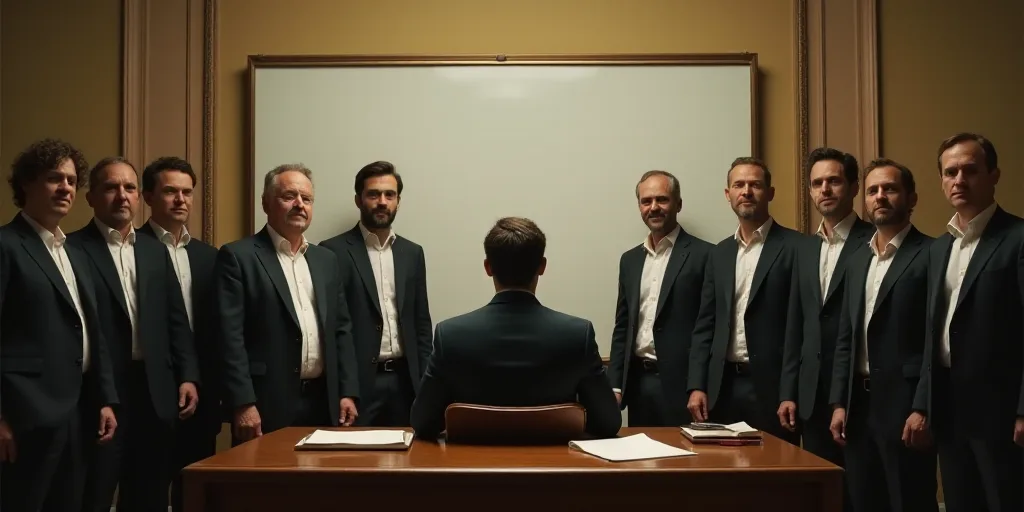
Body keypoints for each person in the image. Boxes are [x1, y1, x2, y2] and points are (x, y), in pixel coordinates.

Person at [410, 217, 621, 439]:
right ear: (542, 266)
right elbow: (608, 422)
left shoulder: (450, 335)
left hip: (474, 470)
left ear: (488, 267)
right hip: (553, 470)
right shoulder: (578, 335)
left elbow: (423, 422)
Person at [69, 156, 198, 512]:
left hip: (155, 392)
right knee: (95, 493)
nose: (122, 195)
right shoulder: (71, 250)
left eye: (129, 188)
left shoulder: (156, 251)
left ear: (140, 197)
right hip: (99, 392)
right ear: (91, 197)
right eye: (111, 187)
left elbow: (177, 321)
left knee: (150, 495)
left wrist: (188, 375)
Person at [907, 133, 1024, 512]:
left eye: (970, 170)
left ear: (993, 175)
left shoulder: (1018, 239)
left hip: (1002, 410)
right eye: (950, 172)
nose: (959, 180)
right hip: (948, 407)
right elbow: (933, 333)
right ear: (941, 181)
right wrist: (923, 404)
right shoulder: (940, 247)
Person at [0, 139, 118, 512]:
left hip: (79, 414)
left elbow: (92, 333)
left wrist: (105, 399)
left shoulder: (74, 253)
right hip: (23, 418)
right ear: (27, 184)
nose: (66, 187)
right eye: (55, 178)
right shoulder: (5, 245)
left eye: (71, 180)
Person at [216, 164, 359, 443]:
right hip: (265, 403)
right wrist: (243, 403)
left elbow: (341, 329)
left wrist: (347, 392)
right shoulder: (238, 257)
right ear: (266, 203)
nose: (299, 205)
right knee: (266, 486)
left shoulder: (325, 260)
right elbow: (228, 338)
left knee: (319, 485)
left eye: (306, 199)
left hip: (323, 402)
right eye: (289, 196)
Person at [829, 159, 937, 512]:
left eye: (889, 189)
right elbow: (846, 337)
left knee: (909, 501)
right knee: (862, 501)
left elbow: (934, 340)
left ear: (911, 198)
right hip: (858, 409)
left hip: (905, 408)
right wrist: (839, 402)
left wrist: (922, 407)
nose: (880, 197)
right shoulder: (857, 259)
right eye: (873, 190)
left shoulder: (933, 254)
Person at [687, 157, 802, 444]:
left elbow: (800, 329)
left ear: (770, 193)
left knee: (775, 478)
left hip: (773, 389)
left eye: (755, 185)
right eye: (739, 185)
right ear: (728, 195)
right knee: (724, 480)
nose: (746, 191)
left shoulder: (799, 247)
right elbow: (705, 324)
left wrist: (790, 391)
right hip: (722, 388)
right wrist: (697, 385)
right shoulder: (719, 253)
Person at [780, 147, 873, 500]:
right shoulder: (804, 248)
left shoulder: (875, 241)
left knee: (861, 492)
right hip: (811, 393)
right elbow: (796, 324)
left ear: (853, 187)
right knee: (822, 493)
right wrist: (789, 390)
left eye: (834, 181)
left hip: (855, 392)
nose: (825, 190)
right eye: (817, 183)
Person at [136, 156, 221, 512]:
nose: (180, 200)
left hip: (201, 391)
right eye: (170, 191)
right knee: (146, 490)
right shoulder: (130, 248)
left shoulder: (210, 257)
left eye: (187, 192)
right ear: (148, 197)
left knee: (196, 491)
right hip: (146, 390)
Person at [320, 161, 432, 427]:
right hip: (359, 385)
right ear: (358, 199)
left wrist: (427, 383)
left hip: (406, 382)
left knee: (412, 460)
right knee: (358, 463)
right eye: (373, 194)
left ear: (398, 201)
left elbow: (421, 324)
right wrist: (344, 388)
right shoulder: (331, 252)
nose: (382, 201)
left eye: (389, 195)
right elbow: (334, 328)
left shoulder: (412, 253)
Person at [607, 170, 712, 426]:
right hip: (638, 385)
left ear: (678, 204)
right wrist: (615, 385)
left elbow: (708, 326)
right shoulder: (629, 260)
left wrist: (698, 384)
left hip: (684, 388)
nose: (654, 207)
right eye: (646, 201)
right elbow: (623, 327)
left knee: (683, 463)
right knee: (639, 462)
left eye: (662, 200)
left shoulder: (706, 255)